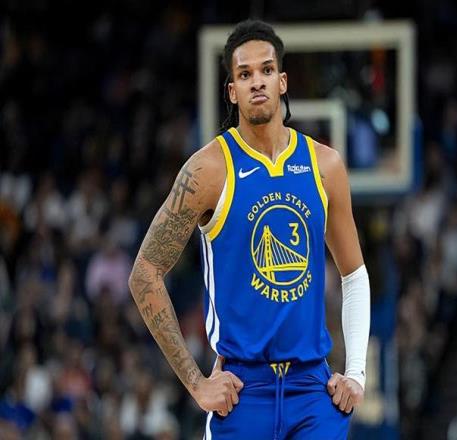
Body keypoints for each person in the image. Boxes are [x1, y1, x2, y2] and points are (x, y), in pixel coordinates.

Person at [128, 19, 370, 440]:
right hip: (241, 392)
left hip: (313, 391)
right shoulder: (207, 170)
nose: (257, 81)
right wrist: (196, 383)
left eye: (266, 70)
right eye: (244, 74)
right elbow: (144, 272)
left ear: (282, 81)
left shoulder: (325, 165)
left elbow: (354, 275)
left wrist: (356, 373)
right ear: (232, 91)